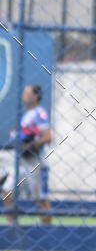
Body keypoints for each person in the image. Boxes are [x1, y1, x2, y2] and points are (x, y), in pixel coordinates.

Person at [1, 84, 52, 224]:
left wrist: (30, 144)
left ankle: (48, 231)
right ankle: (11, 227)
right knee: (7, 191)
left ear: (35, 96)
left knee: (41, 199)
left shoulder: (39, 113)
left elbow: (47, 137)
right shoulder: (27, 115)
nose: (23, 94)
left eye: (27, 92)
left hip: (35, 161)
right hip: (21, 160)